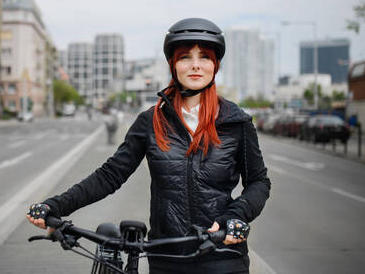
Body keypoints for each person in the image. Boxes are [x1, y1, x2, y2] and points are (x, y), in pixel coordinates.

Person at [27, 18, 271, 274]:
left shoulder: (236, 122)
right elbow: (110, 175)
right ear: (173, 65)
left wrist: (236, 217)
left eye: (205, 57)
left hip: (223, 256)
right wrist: (55, 205)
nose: (196, 65)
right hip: (166, 257)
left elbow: (258, 182)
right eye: (186, 57)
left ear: (215, 65)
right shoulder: (150, 121)